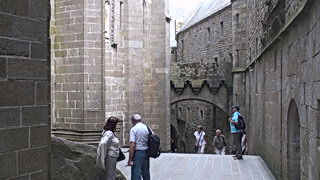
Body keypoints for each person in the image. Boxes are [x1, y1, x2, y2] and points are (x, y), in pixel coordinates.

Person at [127, 114, 151, 180]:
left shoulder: (134, 129)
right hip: (146, 152)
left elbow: (132, 144)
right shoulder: (147, 128)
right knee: (146, 173)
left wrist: (130, 159)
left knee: (136, 173)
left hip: (138, 153)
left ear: (133, 121)